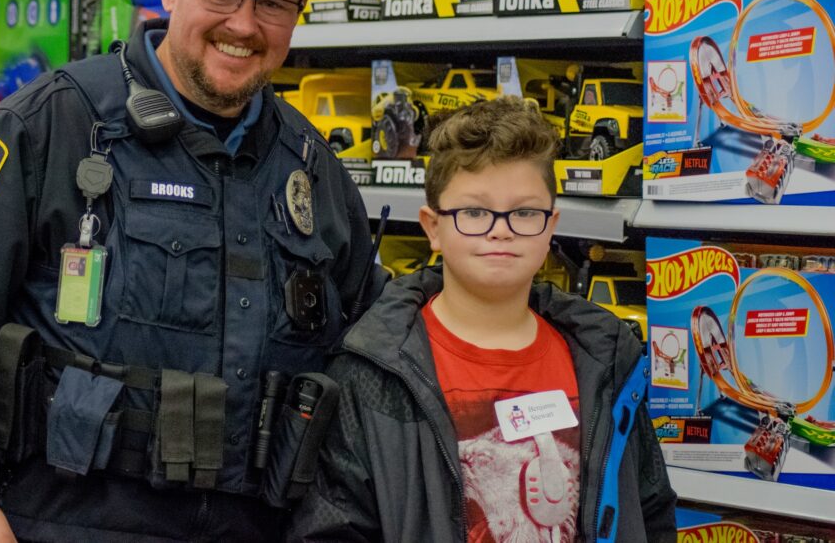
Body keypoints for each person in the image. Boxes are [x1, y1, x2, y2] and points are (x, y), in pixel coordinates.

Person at [0, 0, 385, 543]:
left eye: (271, 2)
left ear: (298, 13)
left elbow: (371, 353)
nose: (243, 24)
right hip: (55, 524)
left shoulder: (312, 169)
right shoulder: (52, 126)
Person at [289, 97, 677, 542]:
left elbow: (651, 509)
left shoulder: (606, 362)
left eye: (524, 212)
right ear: (432, 227)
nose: (501, 229)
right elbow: (333, 527)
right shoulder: (372, 374)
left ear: (551, 225)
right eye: (473, 212)